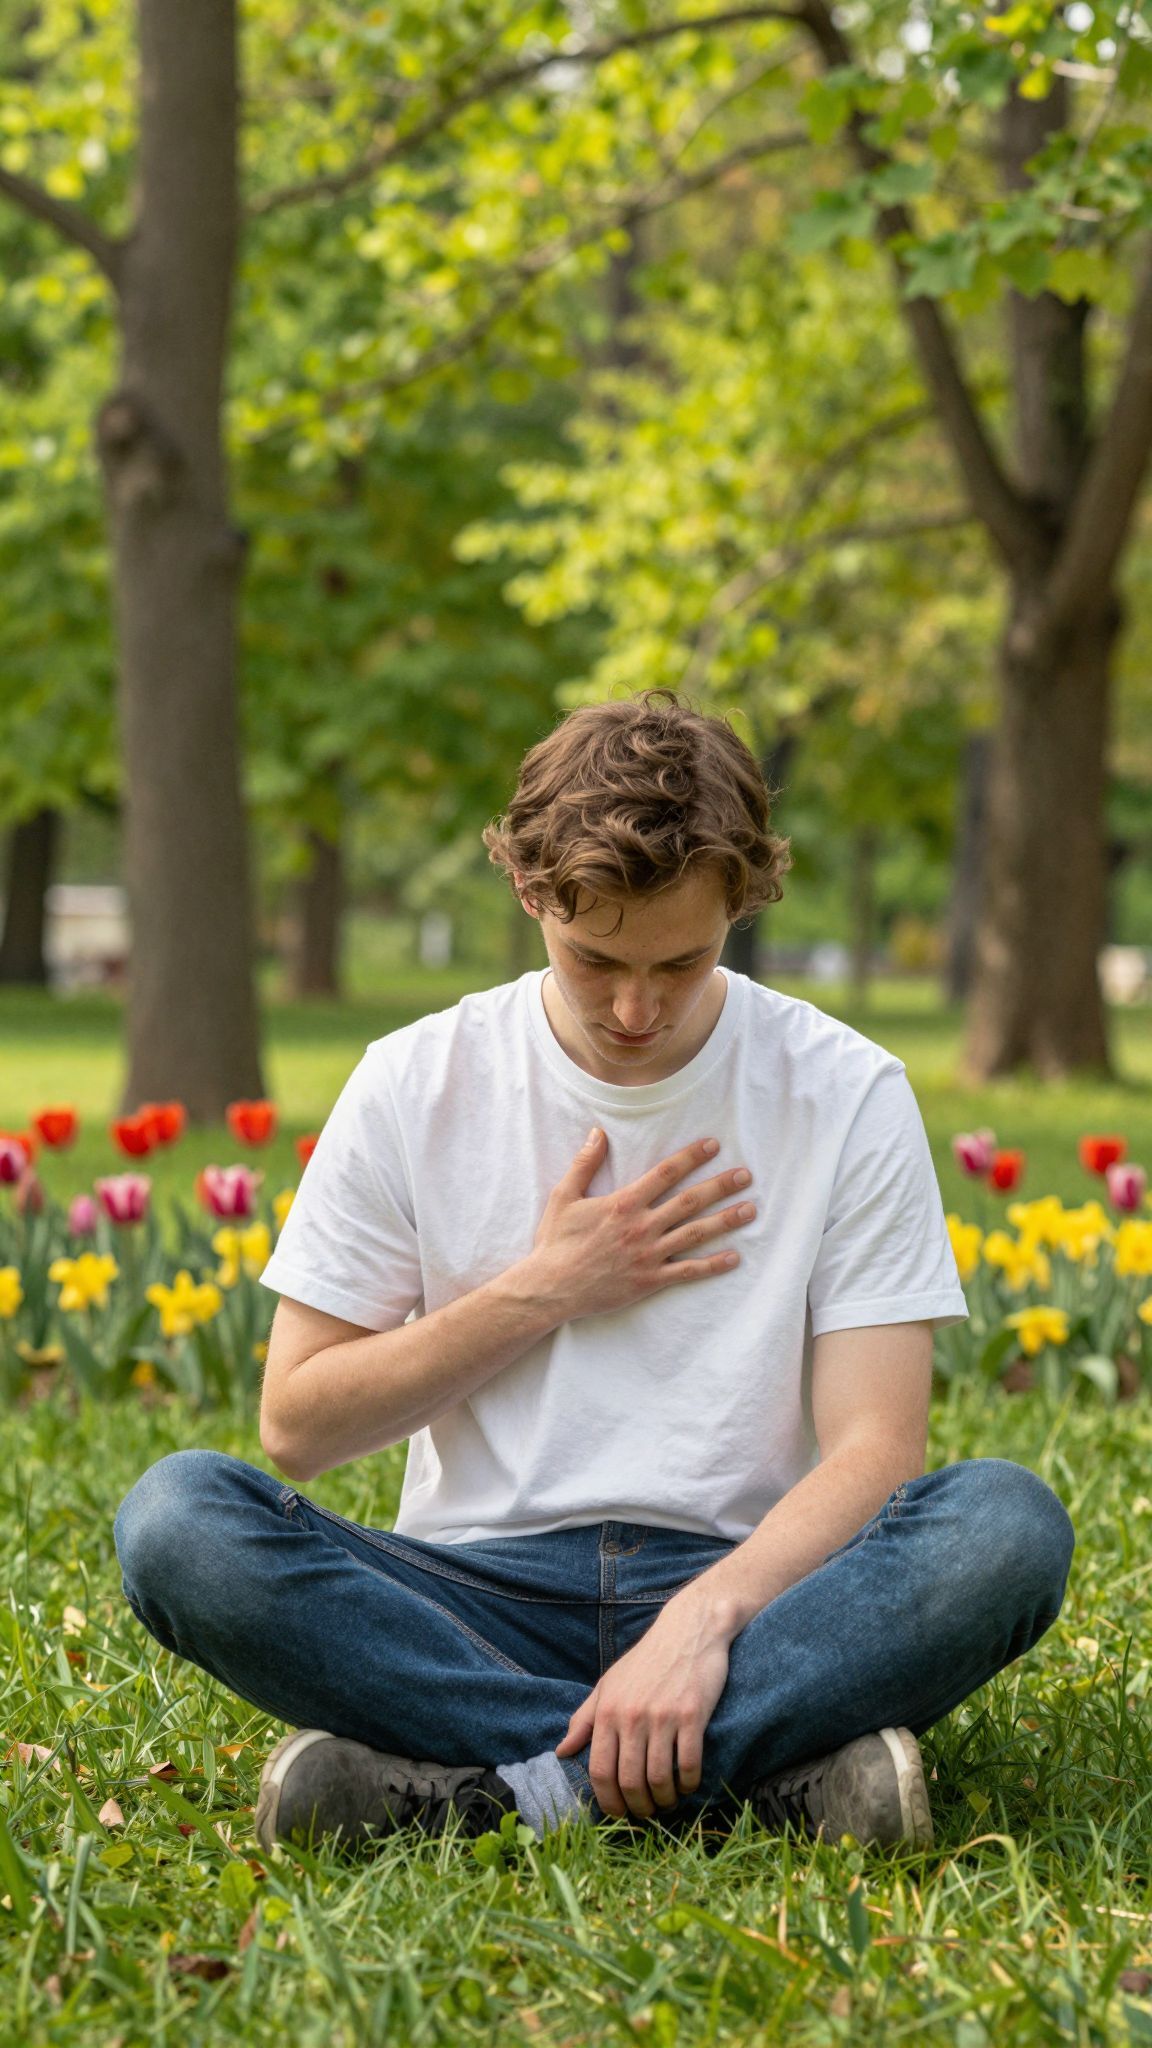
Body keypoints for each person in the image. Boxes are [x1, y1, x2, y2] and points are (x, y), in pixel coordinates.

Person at [113, 689, 1075, 1858]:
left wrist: (702, 1621)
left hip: (753, 1589)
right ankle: (759, 1778)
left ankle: (499, 1787)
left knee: (1004, 1526)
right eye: (595, 957)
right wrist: (544, 1289)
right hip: (471, 1597)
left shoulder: (845, 1089)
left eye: (682, 960)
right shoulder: (415, 1079)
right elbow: (299, 1425)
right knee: (178, 1520)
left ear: (741, 899)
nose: (635, 1005)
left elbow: (878, 1448)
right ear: (530, 890)